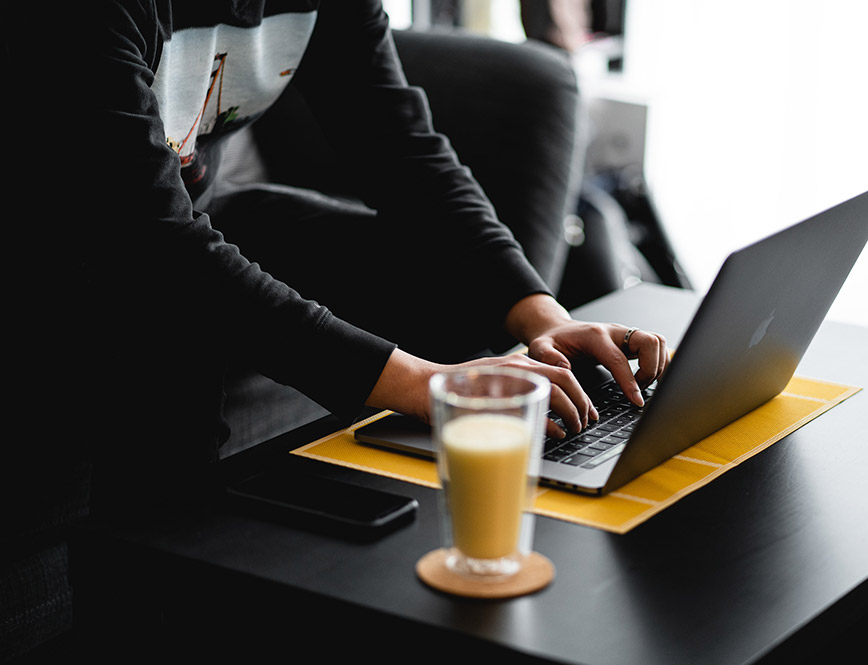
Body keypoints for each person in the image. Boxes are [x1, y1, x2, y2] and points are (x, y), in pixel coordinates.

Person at [3, 1, 666, 656]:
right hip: (61, 253)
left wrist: (540, 314)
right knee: (168, 341)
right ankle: (156, 622)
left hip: (183, 220)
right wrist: (423, 383)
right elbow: (150, 244)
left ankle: (433, 565)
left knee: (445, 286)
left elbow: (402, 149)